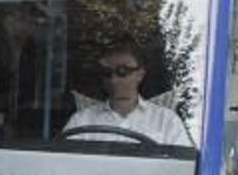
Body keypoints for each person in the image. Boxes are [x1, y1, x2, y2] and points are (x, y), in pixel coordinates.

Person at [63, 42, 193, 146]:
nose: (114, 79)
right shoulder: (82, 120)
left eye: (122, 71)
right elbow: (66, 166)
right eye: (107, 72)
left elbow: (181, 170)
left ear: (140, 75)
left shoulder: (166, 120)